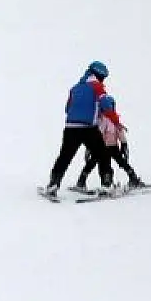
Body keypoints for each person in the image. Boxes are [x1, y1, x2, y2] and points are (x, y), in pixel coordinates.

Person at [43, 61, 118, 198]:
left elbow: (67, 108)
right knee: (103, 154)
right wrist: (115, 121)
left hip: (70, 128)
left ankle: (53, 183)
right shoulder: (97, 86)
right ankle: (107, 184)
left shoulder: (75, 88)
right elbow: (106, 105)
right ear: (99, 75)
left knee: (65, 156)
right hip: (89, 128)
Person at [74, 93, 147, 192]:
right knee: (119, 163)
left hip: (103, 147)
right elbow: (119, 133)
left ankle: (100, 183)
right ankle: (130, 178)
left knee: (98, 164)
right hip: (109, 147)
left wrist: (90, 147)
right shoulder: (110, 120)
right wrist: (124, 144)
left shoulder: (102, 120)